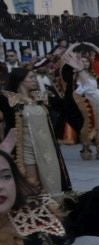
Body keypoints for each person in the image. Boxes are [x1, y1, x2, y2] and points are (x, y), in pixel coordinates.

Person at [1, 67, 73, 195]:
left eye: (35, 77)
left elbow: (66, 105)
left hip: (47, 149)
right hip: (26, 149)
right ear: (20, 80)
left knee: (51, 183)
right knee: (31, 183)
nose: (35, 80)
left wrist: (70, 78)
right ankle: (34, 211)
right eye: (31, 77)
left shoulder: (41, 97)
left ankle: (52, 209)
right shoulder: (9, 100)